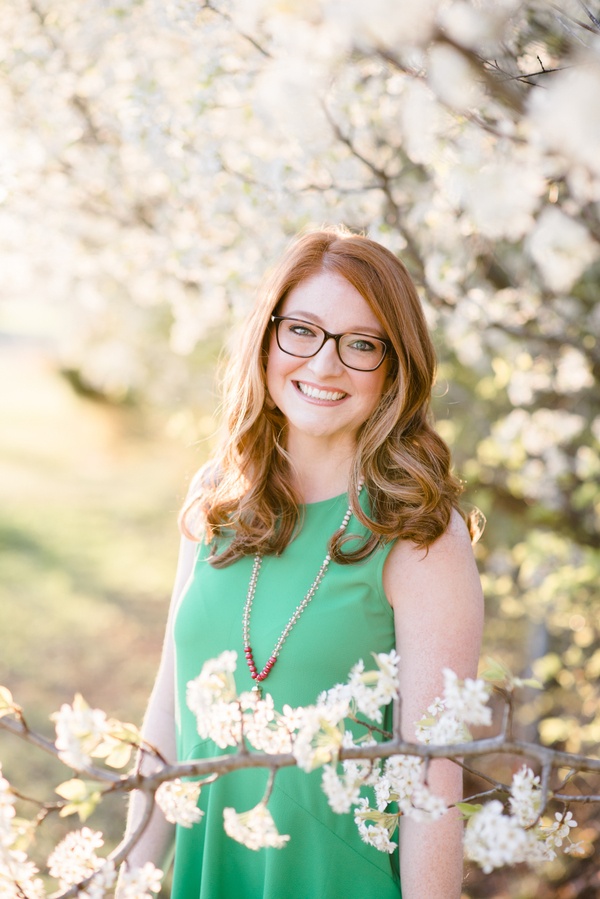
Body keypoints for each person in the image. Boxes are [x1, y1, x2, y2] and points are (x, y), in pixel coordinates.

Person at [120, 228, 484, 899]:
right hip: (211, 871)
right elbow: (168, 712)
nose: (324, 365)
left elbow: (433, 777)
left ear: (394, 367)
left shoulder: (421, 536)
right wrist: (122, 881)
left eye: (361, 344)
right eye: (303, 331)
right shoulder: (215, 498)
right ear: (267, 338)